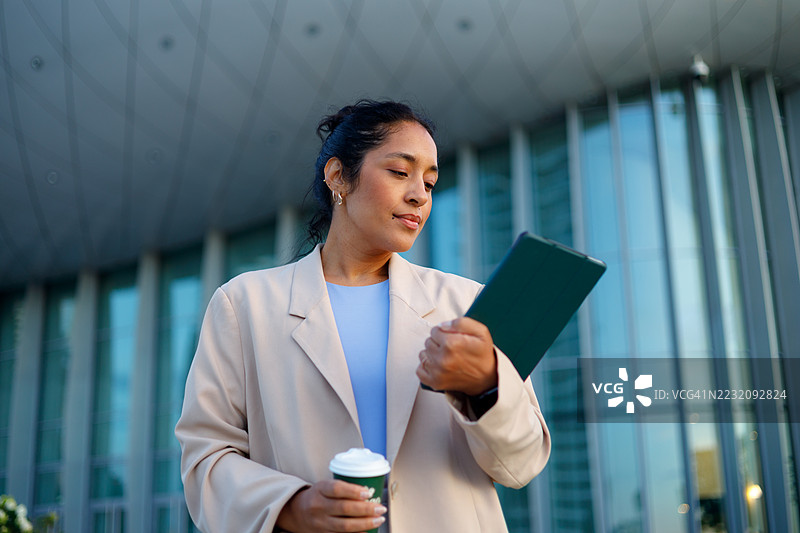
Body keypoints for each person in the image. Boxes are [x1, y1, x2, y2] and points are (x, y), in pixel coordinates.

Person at [175, 99, 550, 532]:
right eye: (399, 172)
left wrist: (486, 385)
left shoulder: (466, 306)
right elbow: (206, 459)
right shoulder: (245, 306)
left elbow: (520, 465)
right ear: (338, 176)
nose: (419, 195)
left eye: (430, 182)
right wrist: (293, 506)